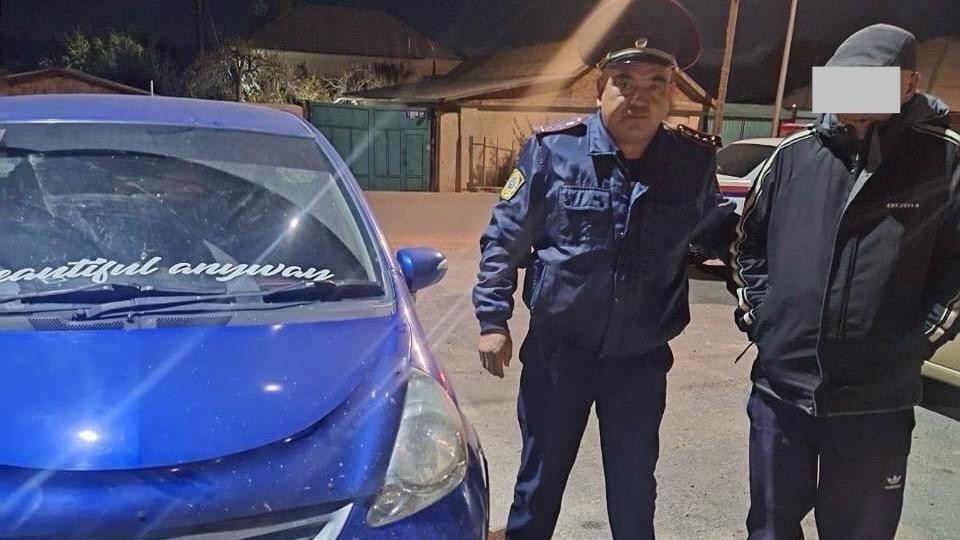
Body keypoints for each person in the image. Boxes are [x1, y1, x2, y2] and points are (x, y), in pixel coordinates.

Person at [472, 1, 736, 538]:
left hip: (639, 361)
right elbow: (504, 239)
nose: (639, 97)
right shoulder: (551, 152)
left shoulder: (691, 164)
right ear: (600, 87)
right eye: (624, 82)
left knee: (634, 487)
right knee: (539, 482)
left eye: (655, 84)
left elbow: (721, 238)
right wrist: (493, 320)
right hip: (558, 354)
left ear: (671, 92)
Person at [730, 24, 960, 540]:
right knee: (769, 527)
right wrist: (762, 318)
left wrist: (915, 342)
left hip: (875, 401)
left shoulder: (943, 160)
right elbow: (747, 243)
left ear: (909, 84)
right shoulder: (793, 156)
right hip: (781, 392)